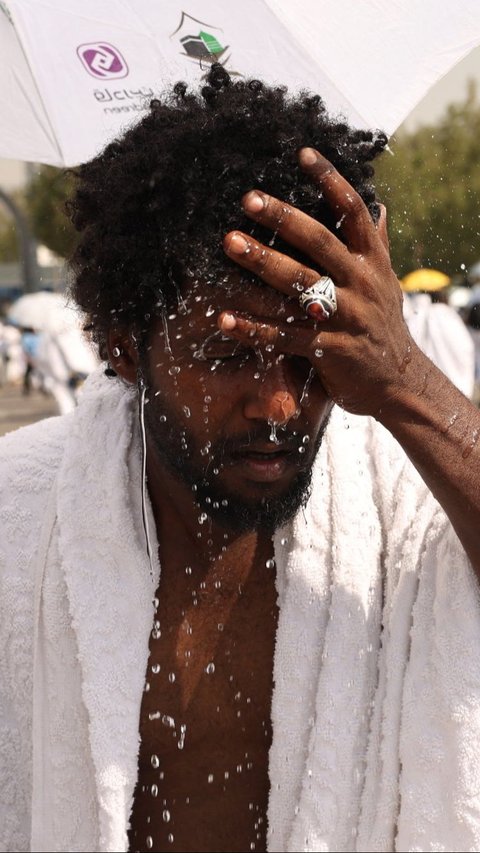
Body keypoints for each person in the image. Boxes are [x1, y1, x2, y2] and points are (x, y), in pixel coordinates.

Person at [1, 65, 480, 853]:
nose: (279, 405)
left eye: (309, 356)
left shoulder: (407, 518)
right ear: (124, 343)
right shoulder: (21, 514)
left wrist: (403, 379)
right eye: (229, 352)